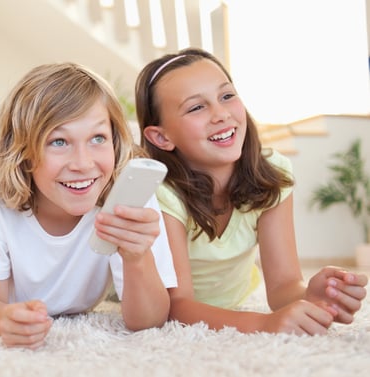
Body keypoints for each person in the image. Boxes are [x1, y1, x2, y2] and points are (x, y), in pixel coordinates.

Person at [0, 62, 178, 349]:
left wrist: (137, 258)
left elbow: (149, 321)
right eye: (59, 141)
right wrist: (3, 321)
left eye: (97, 138)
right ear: (23, 150)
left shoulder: (129, 189)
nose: (83, 163)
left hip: (19, 265)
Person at [136, 47, 368, 335]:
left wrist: (310, 295)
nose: (221, 114)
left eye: (226, 96)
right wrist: (264, 324)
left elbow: (283, 286)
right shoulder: (162, 194)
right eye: (196, 107)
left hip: (233, 302)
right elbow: (177, 307)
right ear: (161, 137)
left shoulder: (273, 173)